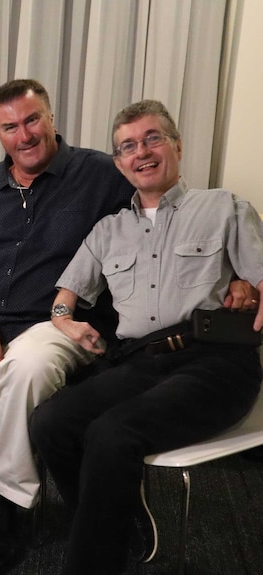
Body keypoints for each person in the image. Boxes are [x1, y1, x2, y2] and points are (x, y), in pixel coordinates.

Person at [0, 79, 257, 575]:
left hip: (57, 327)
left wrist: (247, 278)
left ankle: (9, 502)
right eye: (10, 127)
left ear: (52, 119)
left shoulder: (103, 174)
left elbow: (166, 207)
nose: (24, 134)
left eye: (33, 120)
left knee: (29, 368)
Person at [29, 99, 263, 575]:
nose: (142, 152)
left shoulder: (223, 207)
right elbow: (65, 295)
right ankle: (114, 516)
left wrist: (251, 288)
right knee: (50, 423)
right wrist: (64, 319)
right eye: (128, 146)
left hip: (213, 360)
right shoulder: (107, 230)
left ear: (176, 146)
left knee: (112, 433)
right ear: (119, 163)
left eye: (153, 138)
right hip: (138, 362)